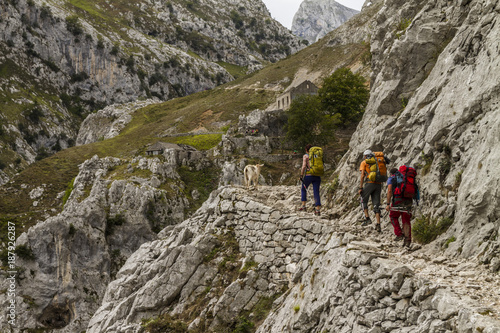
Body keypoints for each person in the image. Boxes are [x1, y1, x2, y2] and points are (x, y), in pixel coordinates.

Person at [386, 167, 414, 248]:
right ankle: (407, 241)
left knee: (393, 216)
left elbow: (390, 190)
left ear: (391, 173)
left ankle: (399, 234)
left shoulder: (391, 178)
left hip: (398, 200)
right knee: (406, 220)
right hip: (408, 200)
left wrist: (388, 204)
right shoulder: (405, 178)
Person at [358, 149, 383, 232]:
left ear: (365, 156)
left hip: (369, 183)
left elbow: (362, 176)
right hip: (378, 184)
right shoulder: (377, 162)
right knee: (376, 204)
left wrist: (361, 187)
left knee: (363, 199)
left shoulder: (364, 162)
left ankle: (367, 218)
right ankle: (378, 224)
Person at [299, 144, 321, 216]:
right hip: (317, 176)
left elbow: (304, 166)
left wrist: (301, 175)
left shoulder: (306, 156)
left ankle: (303, 206)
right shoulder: (317, 156)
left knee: (303, 189)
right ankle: (317, 210)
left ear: (306, 150)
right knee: (316, 192)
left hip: (308, 176)